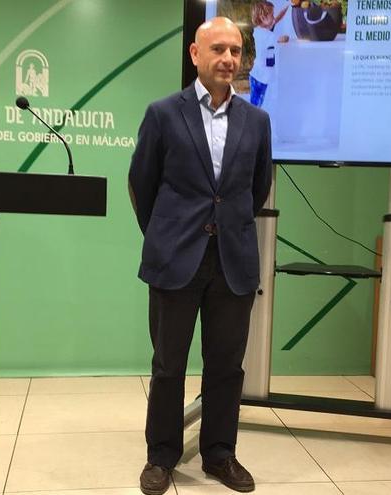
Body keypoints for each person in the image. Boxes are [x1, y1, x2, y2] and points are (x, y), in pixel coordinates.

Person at [128, 16, 273, 495]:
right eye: (219, 50)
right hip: (176, 259)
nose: (229, 59)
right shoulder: (163, 113)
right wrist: (168, 235)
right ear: (196, 54)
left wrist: (223, 227)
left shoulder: (258, 120)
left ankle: (219, 454)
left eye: (235, 50)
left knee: (227, 366)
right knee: (169, 364)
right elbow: (142, 184)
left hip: (232, 260)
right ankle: (161, 456)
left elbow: (256, 189)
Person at [249, 1, 289, 107]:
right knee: (256, 103)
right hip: (259, 76)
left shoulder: (263, 29)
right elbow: (281, 39)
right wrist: (285, 38)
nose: (273, 17)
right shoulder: (263, 35)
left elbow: (277, 19)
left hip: (263, 76)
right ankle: (249, 121)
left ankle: (254, 119)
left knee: (259, 102)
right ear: (262, 17)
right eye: (271, 15)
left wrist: (288, 6)